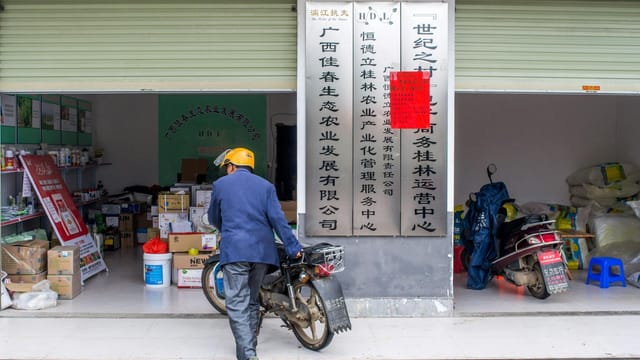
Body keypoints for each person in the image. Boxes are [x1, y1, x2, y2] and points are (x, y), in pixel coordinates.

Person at [208, 147, 302, 360]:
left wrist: (228, 230)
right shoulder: (266, 186)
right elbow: (278, 221)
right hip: (262, 252)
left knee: (237, 302)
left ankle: (248, 355)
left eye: (227, 167)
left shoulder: (221, 185)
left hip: (235, 252)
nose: (226, 171)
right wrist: (293, 247)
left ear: (231, 166)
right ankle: (250, 347)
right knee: (250, 300)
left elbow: (213, 218)